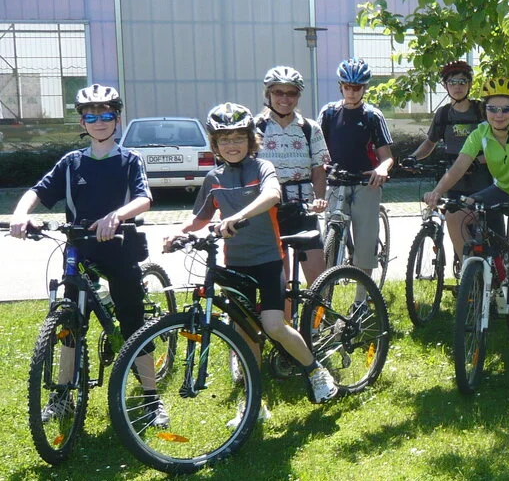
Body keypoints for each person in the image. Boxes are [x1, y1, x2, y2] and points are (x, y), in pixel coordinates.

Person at [170, 102, 338, 427]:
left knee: (274, 326)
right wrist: (177, 233)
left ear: (250, 139)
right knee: (245, 335)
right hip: (236, 267)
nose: (231, 145)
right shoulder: (213, 178)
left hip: (267, 261)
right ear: (215, 144)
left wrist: (237, 216)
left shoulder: (263, 167)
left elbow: (273, 195)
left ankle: (315, 371)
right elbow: (199, 217)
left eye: (238, 137)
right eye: (224, 139)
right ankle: (254, 404)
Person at [7, 84, 166, 426]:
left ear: (117, 118)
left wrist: (117, 216)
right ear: (82, 121)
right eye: (91, 115)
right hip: (79, 248)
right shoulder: (71, 162)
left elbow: (144, 198)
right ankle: (62, 396)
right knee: (70, 326)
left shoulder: (129, 159)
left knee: (133, 322)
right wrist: (21, 215)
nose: (99, 121)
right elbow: (36, 191)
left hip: (119, 246)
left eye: (106, 114)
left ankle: (152, 399)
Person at [422, 76, 509, 349]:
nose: (499, 115)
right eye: (492, 109)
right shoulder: (480, 133)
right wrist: (438, 192)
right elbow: (458, 168)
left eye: (505, 109)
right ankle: (473, 275)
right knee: (457, 212)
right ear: (484, 110)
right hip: (501, 188)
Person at [403, 60, 489, 269]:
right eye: (452, 82)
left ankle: (491, 266)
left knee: (485, 226)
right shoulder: (443, 114)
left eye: (462, 81)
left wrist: (478, 161)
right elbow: (430, 142)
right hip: (454, 179)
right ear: (445, 86)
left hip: (482, 177)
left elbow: (498, 145)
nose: (457, 86)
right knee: (454, 220)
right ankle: (469, 271)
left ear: (470, 84)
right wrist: (413, 157)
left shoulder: (481, 111)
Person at [255, 66, 330, 293]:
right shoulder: (255, 128)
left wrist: (319, 199)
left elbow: (319, 169)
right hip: (268, 209)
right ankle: (286, 325)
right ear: (268, 94)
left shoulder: (310, 128)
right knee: (281, 282)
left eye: (292, 93)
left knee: (320, 280)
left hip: (302, 208)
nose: (285, 99)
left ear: (298, 95)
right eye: (278, 92)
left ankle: (320, 325)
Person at [318, 58, 394, 276]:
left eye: (357, 87)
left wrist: (382, 169)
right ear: (340, 86)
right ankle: (323, 297)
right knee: (329, 243)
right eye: (347, 87)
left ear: (364, 88)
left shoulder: (372, 116)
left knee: (364, 242)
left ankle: (361, 300)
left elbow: (387, 156)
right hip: (335, 183)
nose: (351, 92)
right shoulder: (329, 113)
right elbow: (318, 148)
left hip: (365, 183)